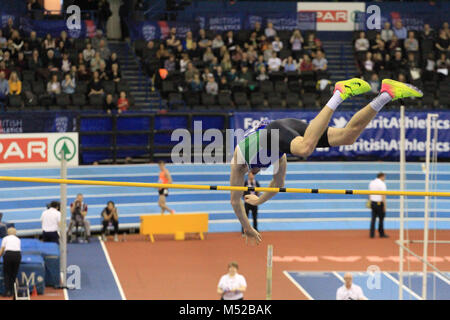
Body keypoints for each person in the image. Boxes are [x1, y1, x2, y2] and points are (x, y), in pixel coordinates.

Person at [230, 78, 423, 244]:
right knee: (347, 137)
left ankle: (339, 93)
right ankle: (386, 94)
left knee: (306, 148)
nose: (253, 173)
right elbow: (278, 183)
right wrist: (259, 201)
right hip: (287, 129)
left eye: (253, 170)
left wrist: (247, 228)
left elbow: (234, 201)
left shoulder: (238, 162)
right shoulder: (278, 154)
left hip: (275, 130)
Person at [0, 227, 21, 297]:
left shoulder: (5, 238)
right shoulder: (18, 239)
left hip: (8, 255)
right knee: (14, 274)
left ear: (7, 233)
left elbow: (2, 249)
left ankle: (7, 291)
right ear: (15, 233)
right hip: (17, 255)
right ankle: (13, 291)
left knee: (7, 273)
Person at [369, 172, 388, 238]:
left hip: (373, 202)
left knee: (373, 219)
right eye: (384, 177)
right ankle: (381, 233)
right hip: (379, 203)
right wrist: (385, 206)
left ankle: (371, 234)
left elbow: (369, 193)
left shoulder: (372, 182)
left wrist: (370, 202)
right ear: (381, 176)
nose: (385, 178)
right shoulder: (382, 184)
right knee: (381, 219)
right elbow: (383, 195)